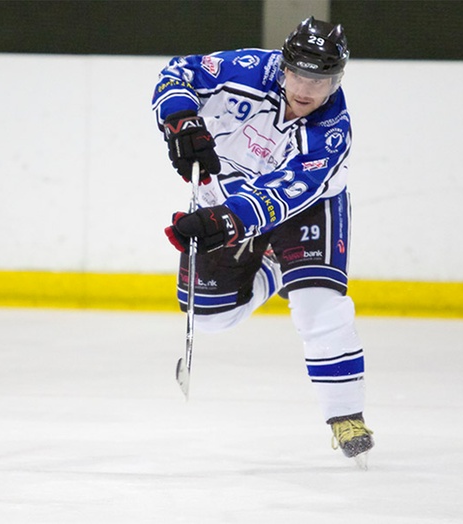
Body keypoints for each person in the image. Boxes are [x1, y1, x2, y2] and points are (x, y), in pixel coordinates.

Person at [152, 17, 374, 462]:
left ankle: (345, 415)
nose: (308, 88)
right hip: (232, 193)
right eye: (300, 73)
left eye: (322, 78)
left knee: (319, 307)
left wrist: (226, 222)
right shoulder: (250, 68)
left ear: (339, 78)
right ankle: (275, 266)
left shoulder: (331, 130)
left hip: (312, 205)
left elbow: (289, 190)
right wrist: (181, 122)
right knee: (211, 317)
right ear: (284, 66)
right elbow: (177, 73)